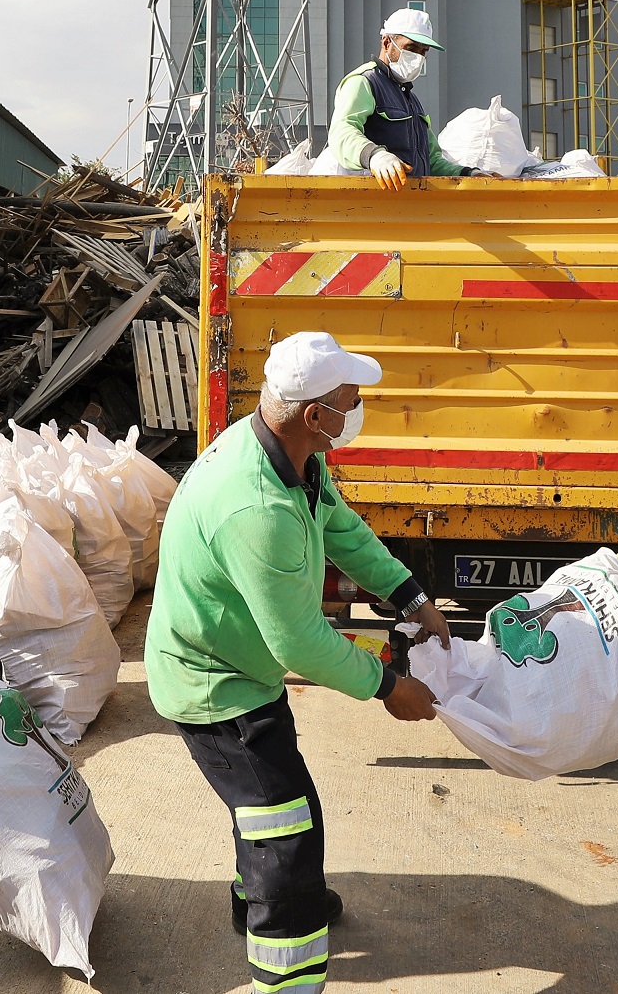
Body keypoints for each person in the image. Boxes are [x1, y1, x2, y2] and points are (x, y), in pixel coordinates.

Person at [146, 331, 450, 994]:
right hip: (215, 685)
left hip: (238, 665)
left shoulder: (294, 457)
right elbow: (301, 641)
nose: (359, 408)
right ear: (315, 414)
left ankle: (247, 898)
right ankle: (286, 977)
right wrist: (387, 685)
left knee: (269, 808)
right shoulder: (255, 505)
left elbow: (341, 528)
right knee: (286, 830)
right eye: (352, 400)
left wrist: (410, 593)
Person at [323, 7, 498, 188]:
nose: (418, 57)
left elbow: (431, 160)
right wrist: (375, 156)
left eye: (423, 51)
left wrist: (467, 173)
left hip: (411, 204)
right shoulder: (364, 82)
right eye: (411, 48)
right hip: (373, 201)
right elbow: (341, 133)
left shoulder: (411, 100)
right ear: (386, 43)